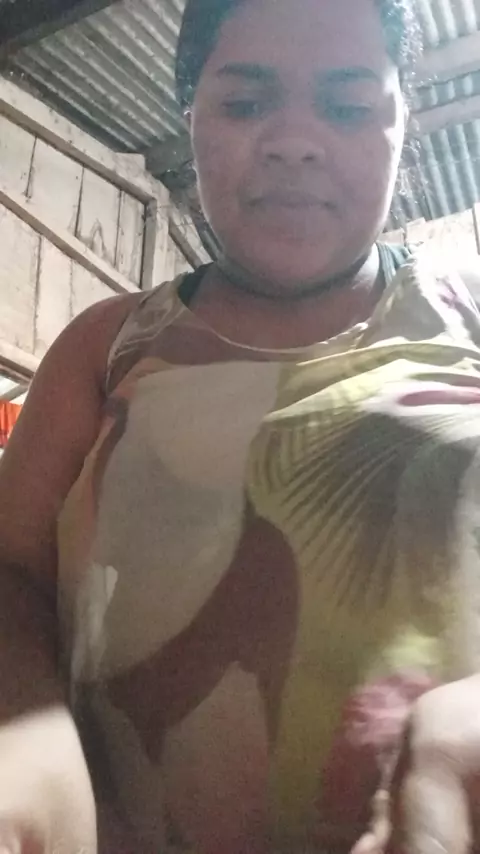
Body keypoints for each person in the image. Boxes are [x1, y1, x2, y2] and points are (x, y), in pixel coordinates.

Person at [1, 0, 480, 851]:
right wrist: (25, 731)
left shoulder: (467, 319)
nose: (295, 140)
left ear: (402, 121)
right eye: (247, 102)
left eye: (346, 105)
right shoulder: (106, 348)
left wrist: (460, 739)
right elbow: (12, 574)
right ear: (191, 120)